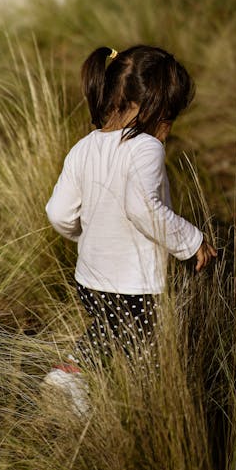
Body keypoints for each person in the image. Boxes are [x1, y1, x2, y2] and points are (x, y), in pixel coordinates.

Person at [43, 45, 216, 408]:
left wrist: (86, 235)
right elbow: (142, 208)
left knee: (108, 330)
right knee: (145, 351)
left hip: (89, 279)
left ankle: (70, 375)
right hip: (135, 284)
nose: (168, 130)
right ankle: (144, 409)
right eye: (169, 117)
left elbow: (58, 211)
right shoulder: (145, 148)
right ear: (150, 109)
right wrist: (192, 240)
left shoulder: (83, 148)